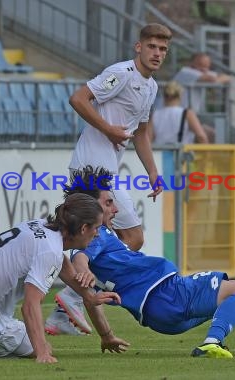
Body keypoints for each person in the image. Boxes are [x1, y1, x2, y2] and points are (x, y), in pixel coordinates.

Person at [46, 166, 235, 358]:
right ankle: (212, 343)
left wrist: (106, 335)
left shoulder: (99, 235)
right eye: (108, 203)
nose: (116, 207)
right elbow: (81, 258)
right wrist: (81, 271)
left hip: (162, 310)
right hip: (166, 295)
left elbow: (88, 296)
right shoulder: (94, 237)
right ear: (91, 207)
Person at [60, 23, 172, 333]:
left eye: (163, 49)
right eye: (152, 47)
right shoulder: (120, 73)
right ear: (139, 47)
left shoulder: (151, 87)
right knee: (130, 237)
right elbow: (78, 98)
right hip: (90, 171)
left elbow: (141, 133)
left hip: (106, 171)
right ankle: (72, 294)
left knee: (129, 239)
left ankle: (69, 300)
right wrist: (108, 129)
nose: (157, 54)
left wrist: (152, 171)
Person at [0, 193, 129, 363]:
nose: (97, 234)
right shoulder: (49, 251)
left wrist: (89, 295)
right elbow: (29, 306)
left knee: (28, 337)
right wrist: (41, 353)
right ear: (84, 228)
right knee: (40, 347)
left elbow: (60, 260)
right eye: (96, 228)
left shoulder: (42, 225)